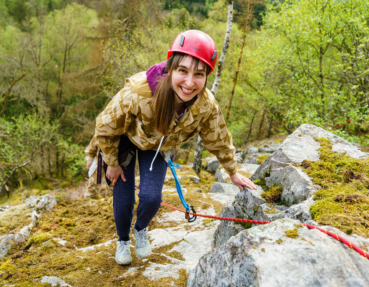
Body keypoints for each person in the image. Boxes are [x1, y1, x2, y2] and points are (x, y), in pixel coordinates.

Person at [94, 30, 256, 265]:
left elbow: (218, 137)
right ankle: (122, 240)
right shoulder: (139, 91)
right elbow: (106, 126)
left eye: (199, 74)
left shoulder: (205, 105)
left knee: (151, 198)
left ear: (206, 76)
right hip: (125, 140)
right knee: (124, 198)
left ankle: (140, 229)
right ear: (171, 68)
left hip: (158, 146)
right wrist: (111, 162)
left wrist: (232, 172)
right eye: (183, 71)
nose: (190, 83)